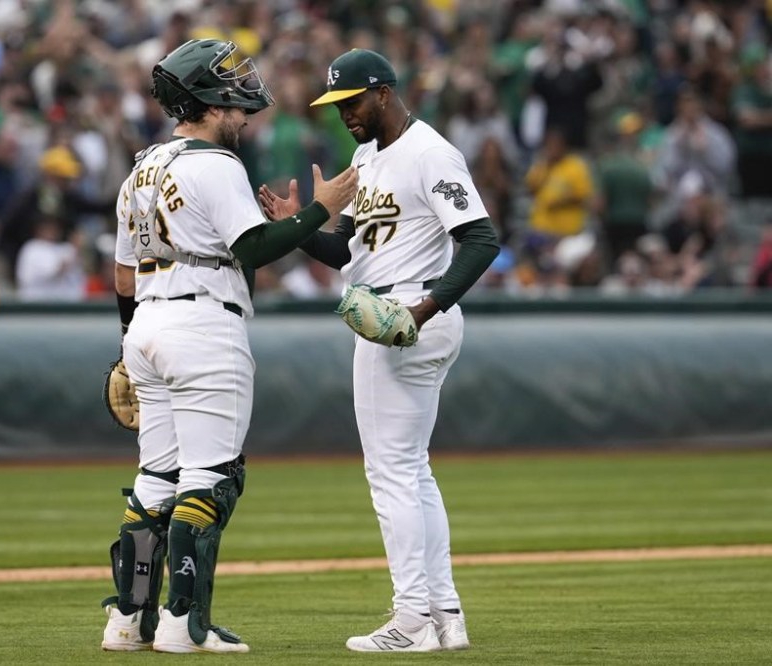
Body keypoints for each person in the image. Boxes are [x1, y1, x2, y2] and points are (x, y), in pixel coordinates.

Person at [100, 38, 358, 654]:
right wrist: (320, 212)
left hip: (148, 325)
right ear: (211, 100)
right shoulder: (215, 164)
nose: (244, 114)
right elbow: (254, 251)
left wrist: (127, 345)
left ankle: (128, 620)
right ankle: (185, 623)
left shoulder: (142, 167)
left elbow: (121, 273)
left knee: (155, 478)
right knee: (210, 480)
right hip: (203, 324)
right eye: (236, 102)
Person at [259, 48, 500, 653]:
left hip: (409, 313)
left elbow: (481, 239)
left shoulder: (431, 152)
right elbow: (347, 255)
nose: (344, 113)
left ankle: (410, 617)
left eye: (352, 100)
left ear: (385, 93)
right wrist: (300, 228)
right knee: (412, 470)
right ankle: (444, 615)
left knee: (389, 471)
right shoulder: (367, 156)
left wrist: (425, 308)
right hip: (392, 308)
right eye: (337, 104)